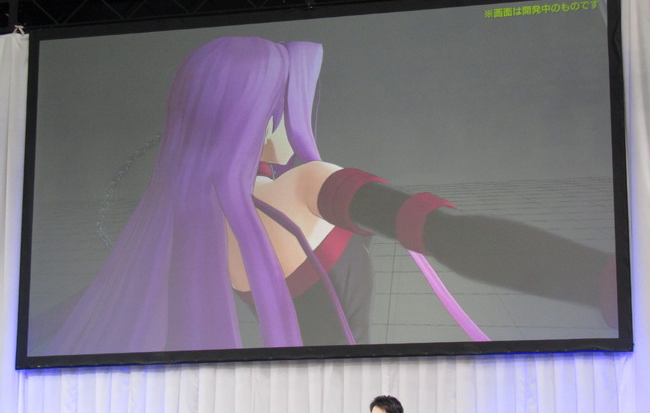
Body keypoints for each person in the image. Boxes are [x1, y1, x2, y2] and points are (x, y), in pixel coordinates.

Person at [41, 36, 616, 356]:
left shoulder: (187, 215)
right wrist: (603, 280)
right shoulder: (303, 184)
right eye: (278, 104)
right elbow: (448, 236)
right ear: (256, 113)